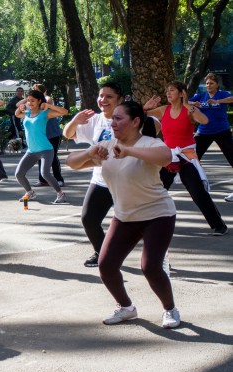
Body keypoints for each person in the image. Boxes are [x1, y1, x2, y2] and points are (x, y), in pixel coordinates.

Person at [66, 101, 180, 329]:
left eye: (119, 118)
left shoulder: (150, 143)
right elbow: (72, 163)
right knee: (106, 265)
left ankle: (170, 309)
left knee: (150, 267)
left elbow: (166, 157)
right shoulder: (106, 146)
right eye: (112, 119)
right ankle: (126, 307)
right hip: (125, 216)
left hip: (157, 214)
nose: (113, 122)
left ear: (136, 121)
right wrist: (90, 151)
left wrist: (128, 150)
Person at [145, 80, 228, 235]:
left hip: (186, 156)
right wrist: (145, 108)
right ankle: (147, 223)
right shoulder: (164, 110)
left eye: (172, 90)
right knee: (157, 190)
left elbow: (204, 120)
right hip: (168, 156)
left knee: (198, 192)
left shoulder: (189, 110)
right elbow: (137, 116)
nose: (168, 93)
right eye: (167, 91)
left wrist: (187, 103)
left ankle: (218, 225)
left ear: (181, 93)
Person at [63, 82, 124, 267]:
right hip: (101, 180)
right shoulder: (94, 120)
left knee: (137, 222)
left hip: (127, 180)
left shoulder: (127, 119)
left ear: (120, 99)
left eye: (109, 96)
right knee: (89, 219)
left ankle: (159, 258)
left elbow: (154, 125)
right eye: (101, 96)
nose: (103, 100)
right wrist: (75, 121)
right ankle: (101, 252)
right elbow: (67, 134)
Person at [14, 90, 68, 203]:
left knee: (45, 173)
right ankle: (30, 192)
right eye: (28, 100)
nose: (30, 103)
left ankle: (60, 193)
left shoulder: (45, 113)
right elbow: (17, 114)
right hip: (31, 151)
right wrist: (20, 107)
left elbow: (64, 112)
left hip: (45, 150)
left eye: (33, 100)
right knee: (19, 174)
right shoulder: (27, 113)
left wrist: (48, 105)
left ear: (39, 101)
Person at [188, 73, 233, 202]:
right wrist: (193, 102)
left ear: (217, 85)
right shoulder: (201, 96)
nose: (208, 85)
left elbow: (231, 99)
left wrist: (218, 101)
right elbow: (184, 102)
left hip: (221, 131)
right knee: (192, 159)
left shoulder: (223, 94)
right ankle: (197, 187)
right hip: (204, 132)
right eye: (207, 83)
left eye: (211, 83)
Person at [29, 84, 65, 188]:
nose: (34, 92)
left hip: (53, 134)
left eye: (36, 90)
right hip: (42, 135)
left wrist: (41, 100)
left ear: (42, 92)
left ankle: (59, 179)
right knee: (41, 157)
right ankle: (42, 180)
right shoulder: (33, 103)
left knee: (52, 157)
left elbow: (47, 103)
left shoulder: (47, 99)